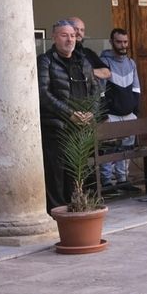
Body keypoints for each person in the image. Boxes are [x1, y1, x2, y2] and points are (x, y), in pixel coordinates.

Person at [37, 19, 102, 210]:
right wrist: (69, 114)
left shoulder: (83, 61)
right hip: (57, 127)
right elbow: (43, 93)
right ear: (54, 37)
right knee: (56, 173)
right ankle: (58, 213)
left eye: (72, 35)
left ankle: (76, 208)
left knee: (77, 171)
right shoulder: (45, 61)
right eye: (64, 35)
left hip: (81, 126)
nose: (69, 40)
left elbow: (96, 90)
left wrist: (91, 113)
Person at [98, 27, 141, 190]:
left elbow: (136, 88)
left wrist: (135, 112)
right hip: (110, 115)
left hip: (129, 114)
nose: (123, 45)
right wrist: (103, 115)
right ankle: (107, 182)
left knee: (127, 148)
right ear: (111, 42)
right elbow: (100, 91)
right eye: (118, 42)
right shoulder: (104, 63)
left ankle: (123, 180)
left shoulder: (131, 63)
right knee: (108, 149)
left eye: (125, 42)